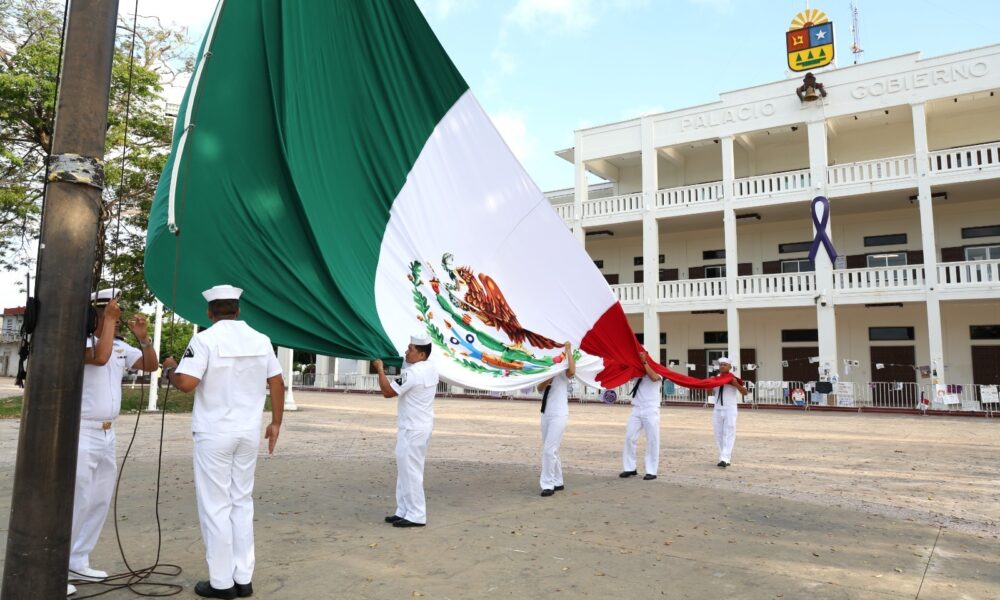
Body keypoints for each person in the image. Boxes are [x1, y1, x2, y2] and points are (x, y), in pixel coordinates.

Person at [161, 285, 284, 599]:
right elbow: (277, 381)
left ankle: (221, 583)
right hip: (247, 432)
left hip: (215, 433)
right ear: (238, 309)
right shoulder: (261, 339)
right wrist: (276, 422)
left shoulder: (204, 340)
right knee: (241, 502)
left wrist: (170, 370)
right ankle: (243, 578)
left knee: (215, 506)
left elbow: (187, 384)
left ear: (209, 312)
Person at [70, 289, 158, 595]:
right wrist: (106, 322)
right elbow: (100, 356)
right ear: (95, 314)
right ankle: (58, 564)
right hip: (82, 431)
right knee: (77, 499)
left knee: (99, 499)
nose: (117, 319)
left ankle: (79, 558)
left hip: (108, 433)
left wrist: (143, 338)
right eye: (111, 313)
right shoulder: (80, 345)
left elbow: (150, 365)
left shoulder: (119, 346)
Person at [374, 334, 439, 528]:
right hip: (419, 426)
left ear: (421, 354)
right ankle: (403, 510)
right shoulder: (430, 368)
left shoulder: (413, 374)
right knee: (405, 470)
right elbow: (407, 365)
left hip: (412, 429)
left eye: (410, 349)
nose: (406, 352)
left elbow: (387, 392)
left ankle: (417, 514)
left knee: (410, 471)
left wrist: (380, 370)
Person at [536, 341, 575, 497]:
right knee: (551, 449)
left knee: (548, 450)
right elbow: (539, 388)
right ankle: (558, 481)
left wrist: (568, 350)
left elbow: (572, 371)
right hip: (546, 413)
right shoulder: (547, 369)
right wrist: (548, 376)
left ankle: (547, 484)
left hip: (559, 413)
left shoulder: (563, 369)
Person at [620, 352, 663, 481]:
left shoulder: (658, 370)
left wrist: (645, 363)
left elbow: (654, 377)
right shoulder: (637, 372)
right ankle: (630, 467)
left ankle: (651, 470)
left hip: (651, 409)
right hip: (636, 408)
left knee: (652, 440)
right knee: (629, 438)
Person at [712, 357, 747, 468]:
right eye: (721, 364)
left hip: (730, 409)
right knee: (718, 434)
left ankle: (725, 458)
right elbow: (709, 393)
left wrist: (735, 384)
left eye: (725, 365)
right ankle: (724, 456)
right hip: (717, 408)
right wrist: (709, 383)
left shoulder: (734, 378)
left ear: (730, 367)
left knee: (729, 433)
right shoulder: (716, 378)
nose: (722, 366)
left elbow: (745, 392)